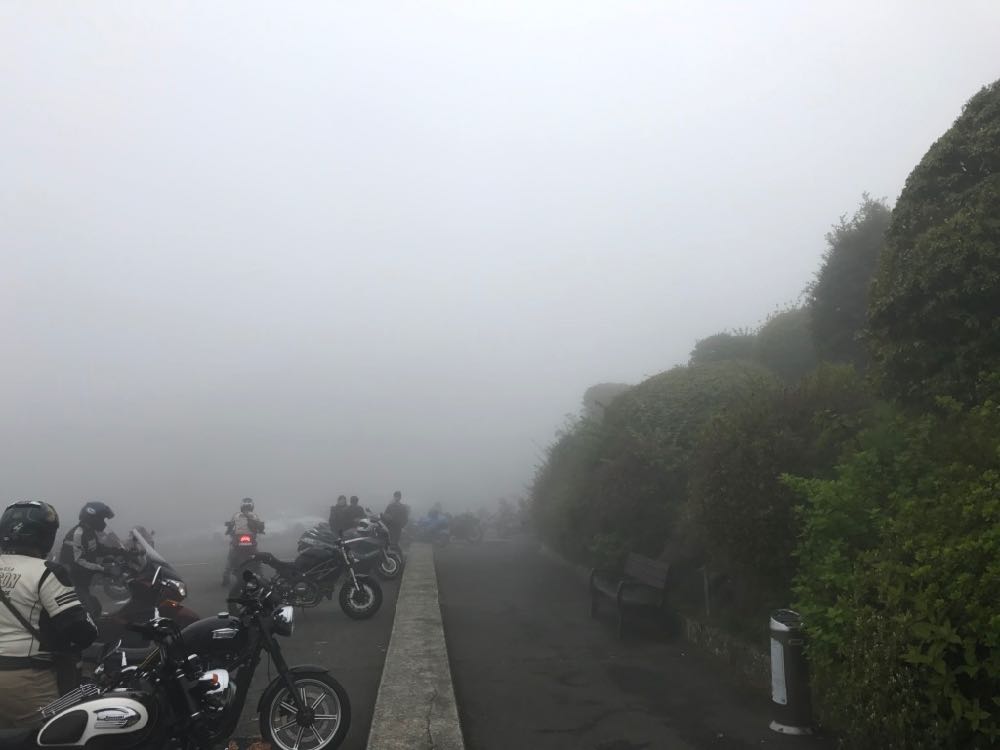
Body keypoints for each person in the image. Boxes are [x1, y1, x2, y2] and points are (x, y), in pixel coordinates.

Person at [0, 501, 98, 727]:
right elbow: (80, 631)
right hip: (26, 679)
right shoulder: (47, 572)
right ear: (45, 536)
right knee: (58, 734)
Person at [58, 501, 119, 618]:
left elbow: (98, 548)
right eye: (101, 519)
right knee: (89, 612)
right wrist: (103, 569)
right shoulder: (78, 534)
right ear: (92, 518)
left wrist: (120, 552)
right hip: (72, 584)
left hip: (83, 582)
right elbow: (78, 561)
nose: (103, 523)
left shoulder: (89, 531)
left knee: (95, 608)